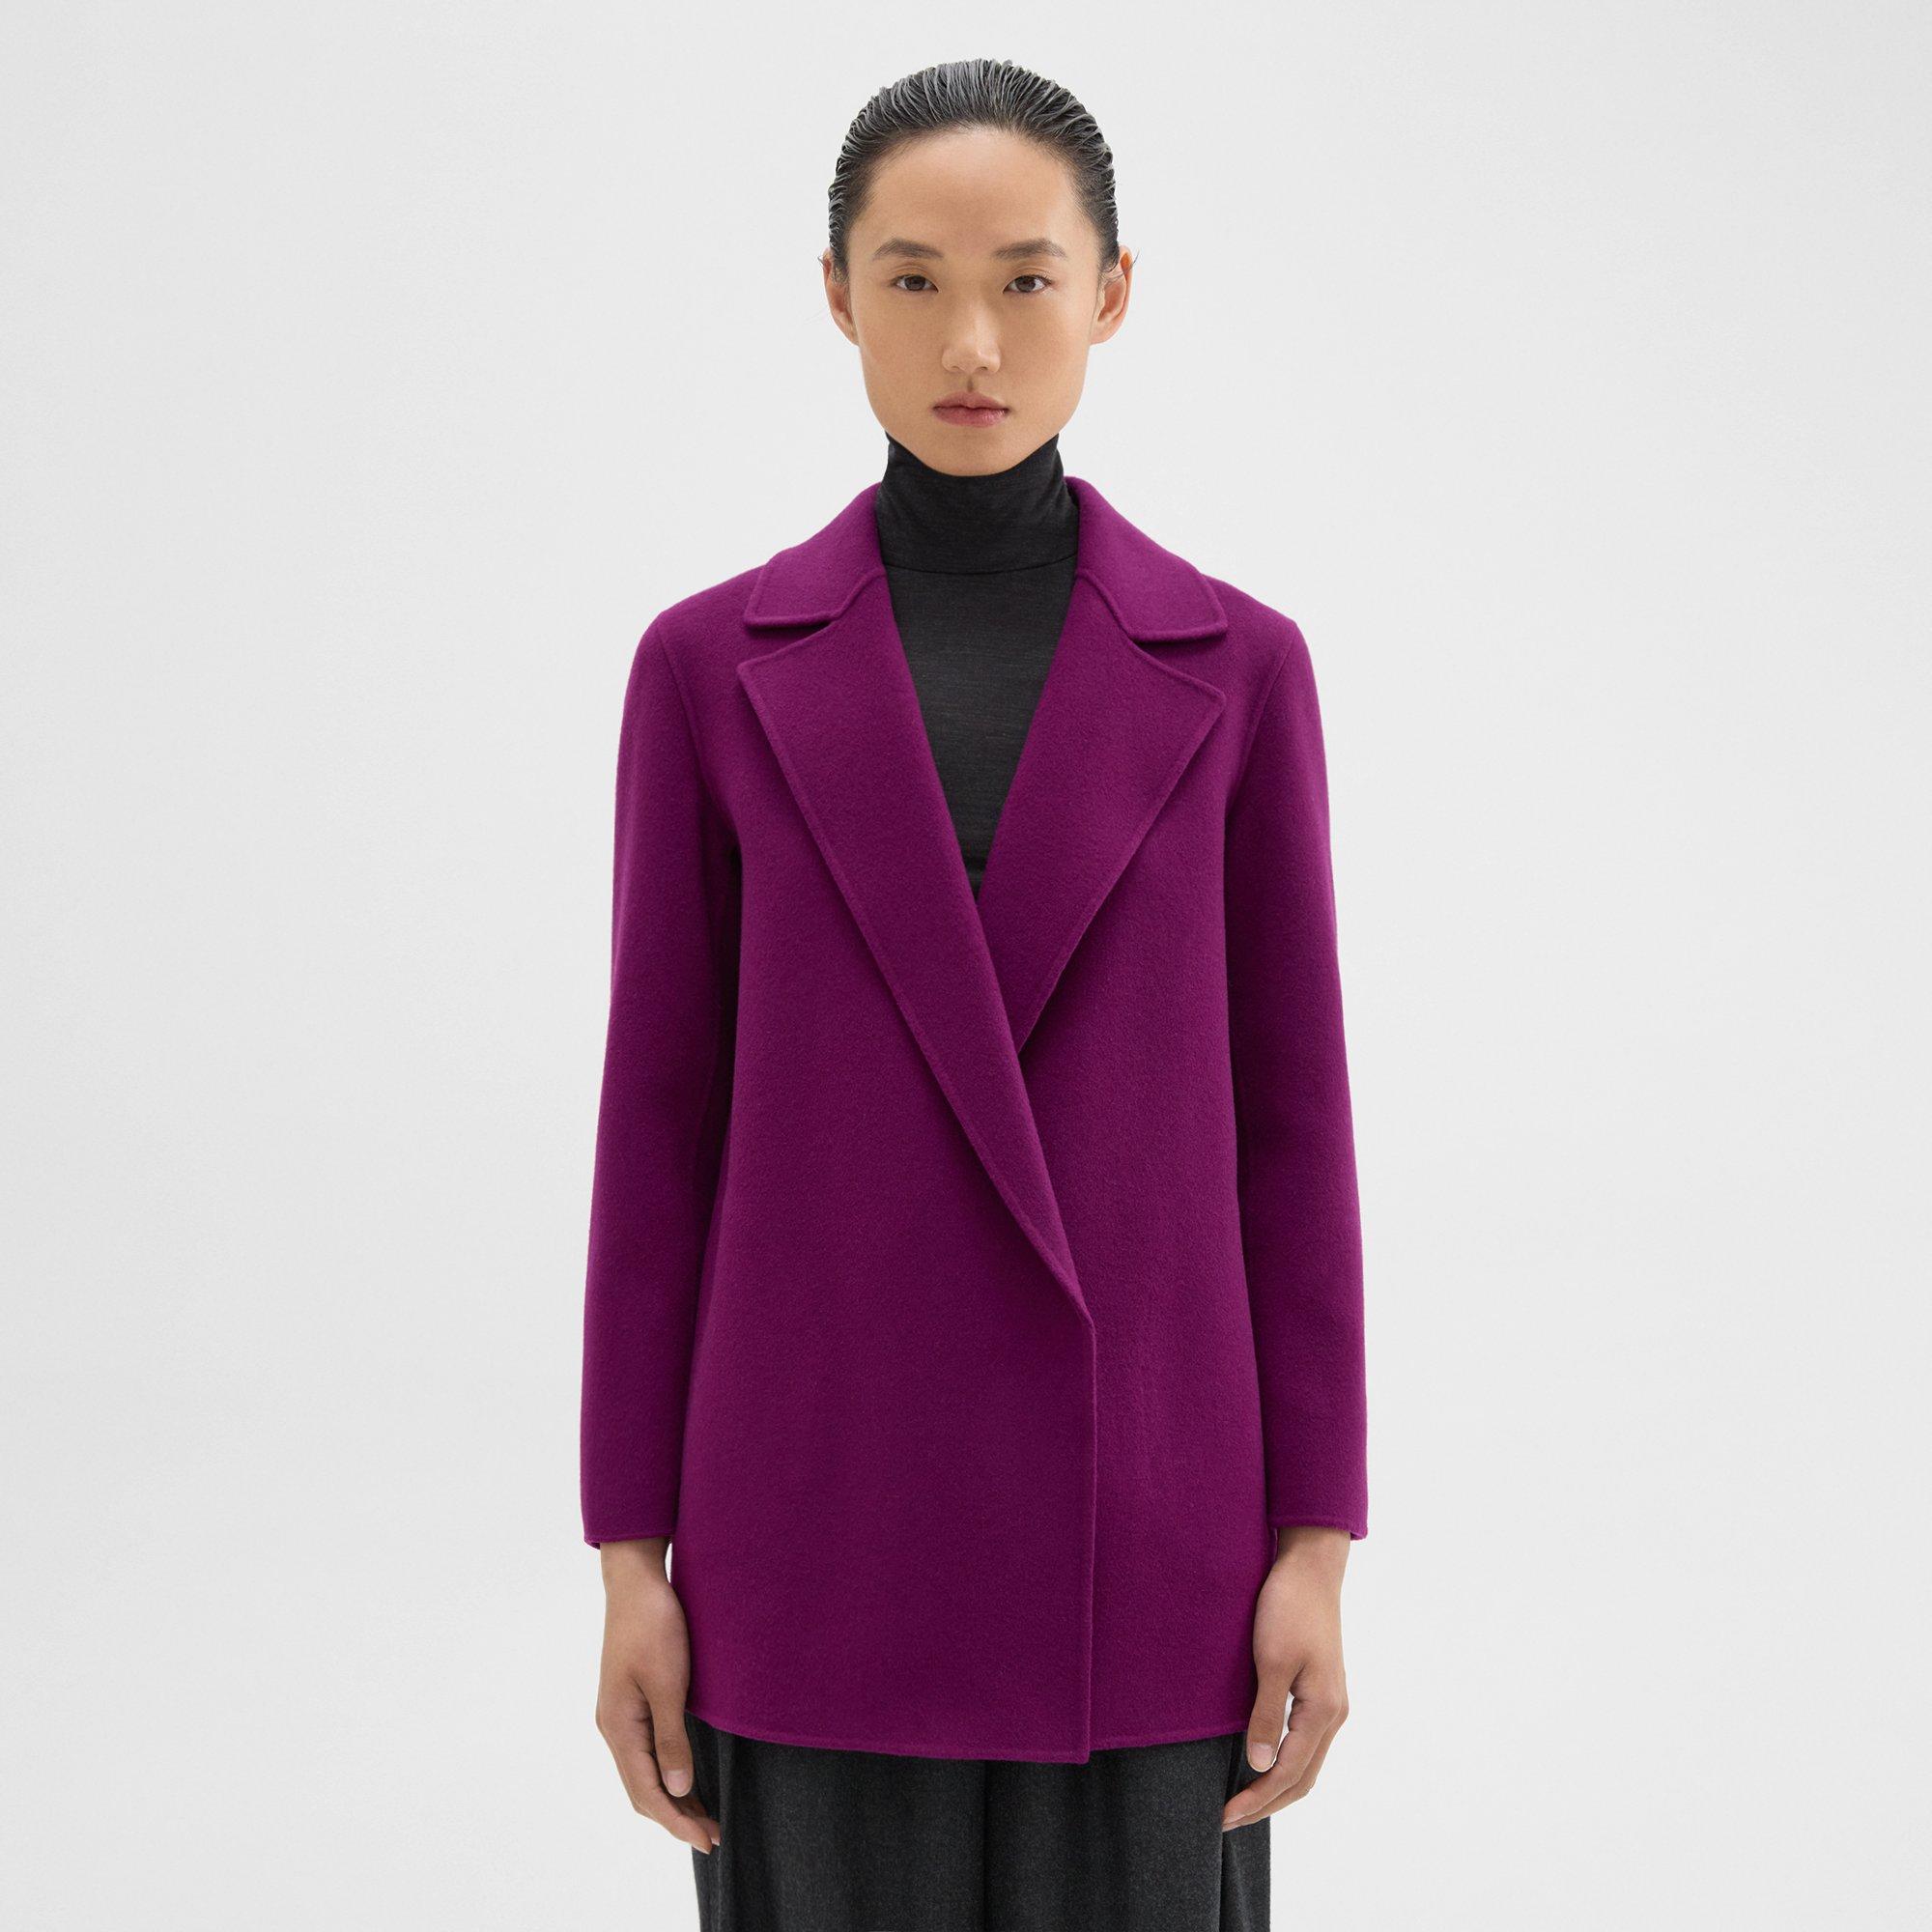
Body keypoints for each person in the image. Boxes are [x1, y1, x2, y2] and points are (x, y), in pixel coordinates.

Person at [582, 58, 1368, 1931]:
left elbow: (1294, 1131)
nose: (971, 342)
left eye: (1025, 279)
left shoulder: (1240, 669)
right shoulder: (707, 669)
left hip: (1151, 1547)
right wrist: (628, 1557)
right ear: (836, 294)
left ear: (1112, 291)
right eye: (914, 279)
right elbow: (657, 1131)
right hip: (815, 1529)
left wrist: (1317, 1544)